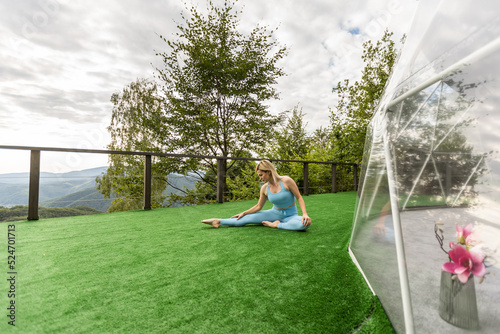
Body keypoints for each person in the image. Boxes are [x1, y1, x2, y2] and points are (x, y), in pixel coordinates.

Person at [201, 160, 311, 231]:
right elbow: (258, 206)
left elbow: (299, 197)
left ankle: (276, 225)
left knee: (304, 224)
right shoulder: (264, 188)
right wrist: (244, 213)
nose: (260, 178)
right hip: (274, 214)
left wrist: (305, 214)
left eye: (261, 175)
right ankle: (219, 221)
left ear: (268, 172)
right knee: (246, 219)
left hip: (291, 215)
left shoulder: (286, 181)